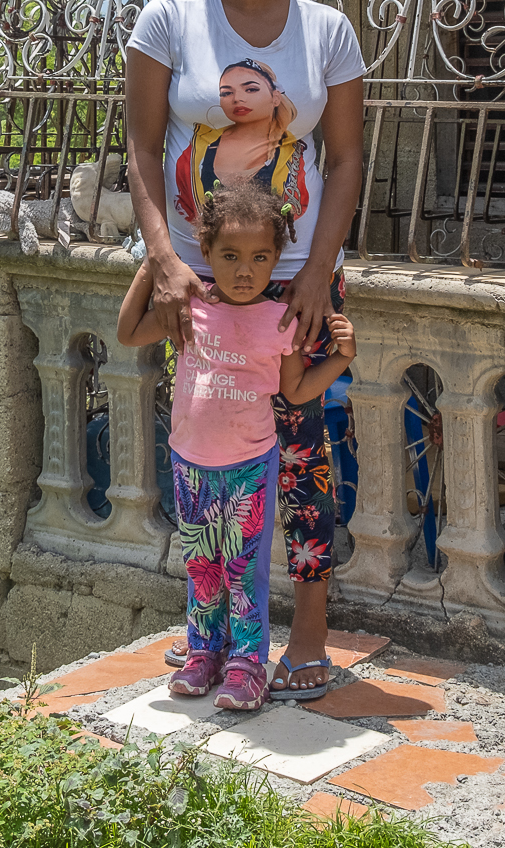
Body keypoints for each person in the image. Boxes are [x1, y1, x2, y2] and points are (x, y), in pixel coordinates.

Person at [125, 0, 367, 699]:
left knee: (301, 455)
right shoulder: (168, 21)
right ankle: (216, 629)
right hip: (196, 282)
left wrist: (318, 272)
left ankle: (308, 632)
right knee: (208, 453)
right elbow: (141, 147)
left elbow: (345, 159)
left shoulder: (328, 31)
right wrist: (165, 260)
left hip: (296, 281)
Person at [117, 177, 357, 711]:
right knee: (201, 563)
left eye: (259, 258)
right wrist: (156, 263)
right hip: (190, 463)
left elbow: (297, 390)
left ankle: (248, 665)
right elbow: (129, 332)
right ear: (204, 253)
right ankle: (204, 653)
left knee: (244, 568)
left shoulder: (281, 321)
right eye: (230, 256)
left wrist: (341, 358)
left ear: (277, 260)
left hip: (250, 465)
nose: (245, 271)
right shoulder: (191, 306)